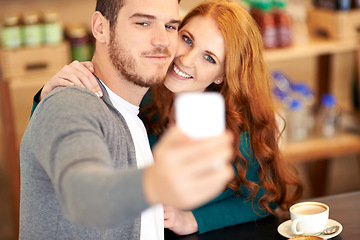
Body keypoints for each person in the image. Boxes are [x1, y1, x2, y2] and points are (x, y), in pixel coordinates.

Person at [30, 0, 304, 236]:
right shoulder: (141, 96)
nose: (185, 60)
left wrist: (194, 219)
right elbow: (63, 140)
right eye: (186, 39)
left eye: (209, 58)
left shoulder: (236, 129)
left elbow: (265, 199)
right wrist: (46, 98)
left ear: (222, 74)